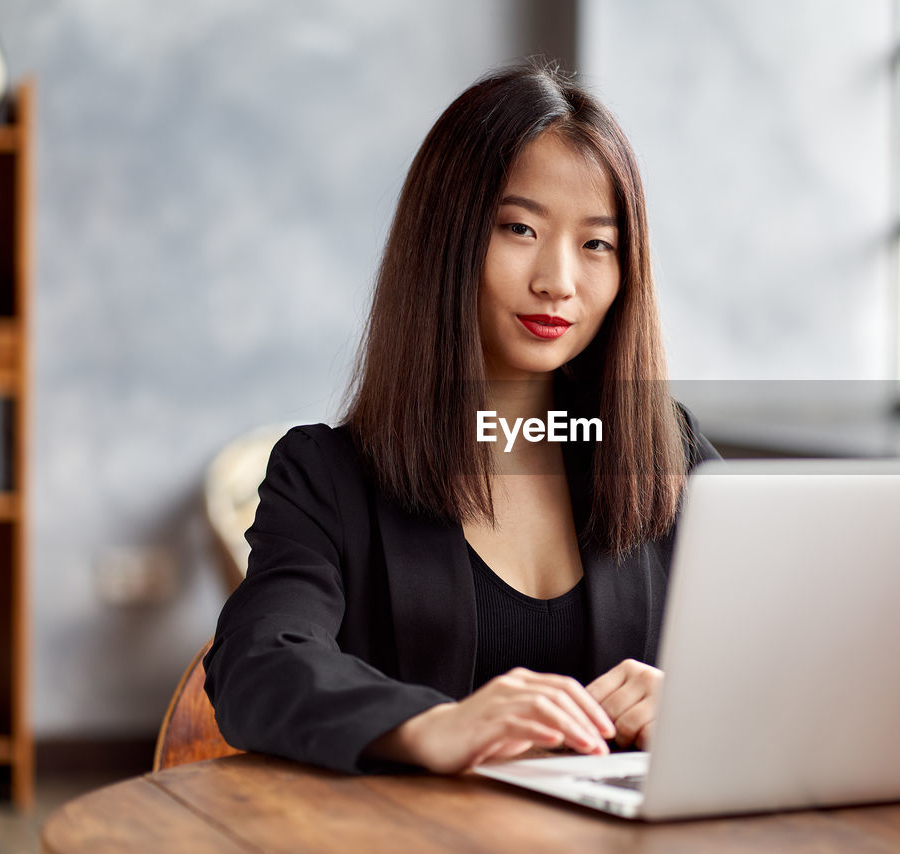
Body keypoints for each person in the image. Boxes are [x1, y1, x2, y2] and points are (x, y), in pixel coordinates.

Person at [202, 63, 719, 775]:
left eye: (596, 243)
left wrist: (701, 702)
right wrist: (428, 724)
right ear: (443, 241)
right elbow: (256, 665)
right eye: (519, 228)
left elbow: (798, 652)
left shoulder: (672, 455)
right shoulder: (325, 478)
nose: (558, 281)